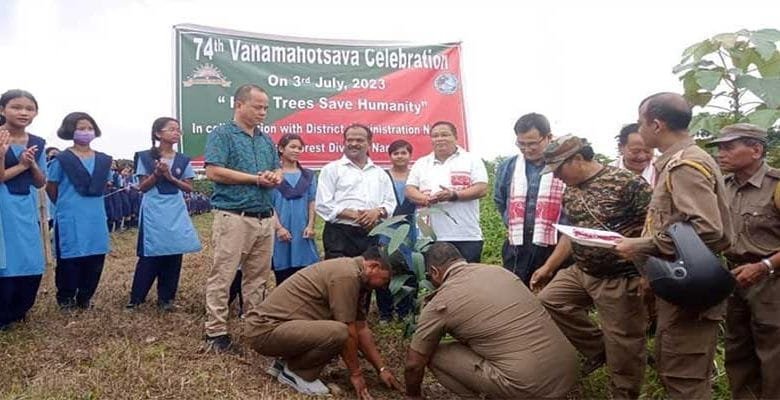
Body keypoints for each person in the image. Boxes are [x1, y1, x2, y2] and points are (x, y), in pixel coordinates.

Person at [615, 92, 733, 399]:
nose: (638, 128)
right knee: (677, 370)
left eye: (641, 122)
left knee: (685, 378)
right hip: (683, 281)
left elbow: (706, 228)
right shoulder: (678, 162)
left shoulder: (685, 165)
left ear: (656, 124)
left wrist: (643, 246)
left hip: (692, 283)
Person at [531, 135, 652, 399]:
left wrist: (648, 272)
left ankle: (624, 392)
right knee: (550, 300)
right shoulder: (571, 189)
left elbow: (657, 228)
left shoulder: (628, 183)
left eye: (559, 169)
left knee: (624, 341)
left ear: (577, 159)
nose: (557, 177)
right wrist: (549, 267)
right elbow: (570, 232)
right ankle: (601, 351)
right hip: (582, 270)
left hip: (620, 277)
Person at [404, 242, 577, 399]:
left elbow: (413, 364)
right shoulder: (499, 271)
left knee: (432, 353)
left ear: (434, 272)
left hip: (530, 388)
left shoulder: (441, 302)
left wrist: (413, 395)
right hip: (568, 372)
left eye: (429, 276)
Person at [245, 246, 404, 398]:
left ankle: (284, 363)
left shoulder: (355, 274)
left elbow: (361, 329)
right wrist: (356, 374)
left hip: (278, 327)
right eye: (384, 280)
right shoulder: (347, 276)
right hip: (265, 330)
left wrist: (382, 369)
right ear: (374, 267)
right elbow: (349, 332)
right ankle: (298, 373)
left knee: (339, 329)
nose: (384, 286)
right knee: (339, 332)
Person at [202, 84, 281, 352]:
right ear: (239, 105)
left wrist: (274, 177)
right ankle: (215, 331)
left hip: (264, 216)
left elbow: (277, 170)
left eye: (265, 108)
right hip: (234, 215)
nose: (262, 112)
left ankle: (253, 328)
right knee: (223, 274)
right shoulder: (222, 134)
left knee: (258, 277)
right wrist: (256, 179)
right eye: (257, 106)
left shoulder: (266, 140)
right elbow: (213, 171)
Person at [709, 123, 780, 400]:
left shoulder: (775, 186)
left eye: (728, 147)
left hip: (771, 281)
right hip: (734, 277)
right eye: (719, 148)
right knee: (738, 352)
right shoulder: (722, 187)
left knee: (774, 355)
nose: (720, 154)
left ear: (756, 149)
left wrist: (765, 266)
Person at [126, 117, 202, 312]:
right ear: (158, 133)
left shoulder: (183, 159)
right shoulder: (144, 157)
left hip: (175, 208)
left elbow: (188, 187)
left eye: (178, 130)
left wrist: (170, 177)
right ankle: (136, 298)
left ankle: (166, 298)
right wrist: (157, 175)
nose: (176, 133)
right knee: (150, 254)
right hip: (154, 209)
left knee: (174, 252)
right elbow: (142, 186)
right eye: (171, 129)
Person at [47, 111, 113, 310]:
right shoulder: (62, 159)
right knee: (70, 258)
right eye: (81, 128)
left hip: (95, 216)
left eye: (89, 128)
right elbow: (52, 186)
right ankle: (66, 298)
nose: (86, 132)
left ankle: (85, 297)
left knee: (95, 257)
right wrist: (65, 204)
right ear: (70, 131)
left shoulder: (103, 160)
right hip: (70, 215)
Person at [494, 113, 565, 285]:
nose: (527, 149)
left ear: (548, 137)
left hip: (556, 244)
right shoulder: (508, 166)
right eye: (521, 144)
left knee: (554, 297)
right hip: (518, 243)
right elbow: (500, 200)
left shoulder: (563, 164)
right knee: (516, 294)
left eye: (532, 143)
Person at [405, 121, 488, 263]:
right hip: (429, 236)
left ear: (455, 137)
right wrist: (425, 199)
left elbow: (481, 188)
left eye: (445, 134)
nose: (440, 139)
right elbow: (409, 190)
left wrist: (454, 195)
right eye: (435, 136)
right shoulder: (421, 163)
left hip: (466, 236)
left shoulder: (472, 160)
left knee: (467, 280)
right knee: (434, 281)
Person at [0, 89, 46, 330]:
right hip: (2, 206)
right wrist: (19, 164)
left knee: (29, 255)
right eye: (16, 107)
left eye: (29, 108)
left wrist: (32, 164)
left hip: (25, 204)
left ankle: (20, 309)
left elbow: (40, 182)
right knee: (6, 257)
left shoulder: (37, 142)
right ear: (2, 110)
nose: (23, 112)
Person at [315, 123, 396, 260]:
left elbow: (390, 204)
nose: (353, 143)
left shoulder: (380, 173)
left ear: (369, 142)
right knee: (339, 278)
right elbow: (323, 205)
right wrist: (354, 215)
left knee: (370, 278)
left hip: (371, 233)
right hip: (339, 234)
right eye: (349, 140)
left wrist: (377, 212)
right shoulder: (331, 169)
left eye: (359, 140)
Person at [376, 139, 417, 323]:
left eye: (404, 152)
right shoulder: (382, 176)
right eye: (395, 153)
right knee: (385, 268)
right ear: (390, 156)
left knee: (410, 268)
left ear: (410, 155)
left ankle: (406, 311)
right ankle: (385, 312)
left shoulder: (416, 176)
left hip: (411, 228)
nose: (400, 156)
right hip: (387, 229)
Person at [270, 133, 319, 285]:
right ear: (281, 149)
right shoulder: (272, 175)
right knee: (283, 277)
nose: (296, 150)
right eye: (292, 147)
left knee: (305, 276)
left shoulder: (308, 176)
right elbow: (268, 204)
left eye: (299, 148)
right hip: (281, 230)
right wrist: (279, 228)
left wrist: (310, 225)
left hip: (302, 230)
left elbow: (312, 201)